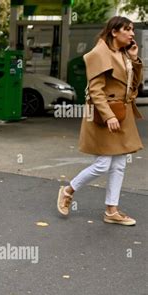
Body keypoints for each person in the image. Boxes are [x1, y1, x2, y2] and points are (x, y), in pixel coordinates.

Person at [57, 16, 143, 226]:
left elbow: (134, 85)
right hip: (105, 115)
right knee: (103, 164)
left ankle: (111, 210)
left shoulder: (124, 53)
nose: (132, 34)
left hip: (122, 113)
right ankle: (68, 190)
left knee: (120, 163)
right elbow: (96, 90)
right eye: (128, 29)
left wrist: (134, 59)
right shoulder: (98, 54)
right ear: (114, 31)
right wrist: (109, 115)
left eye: (132, 30)